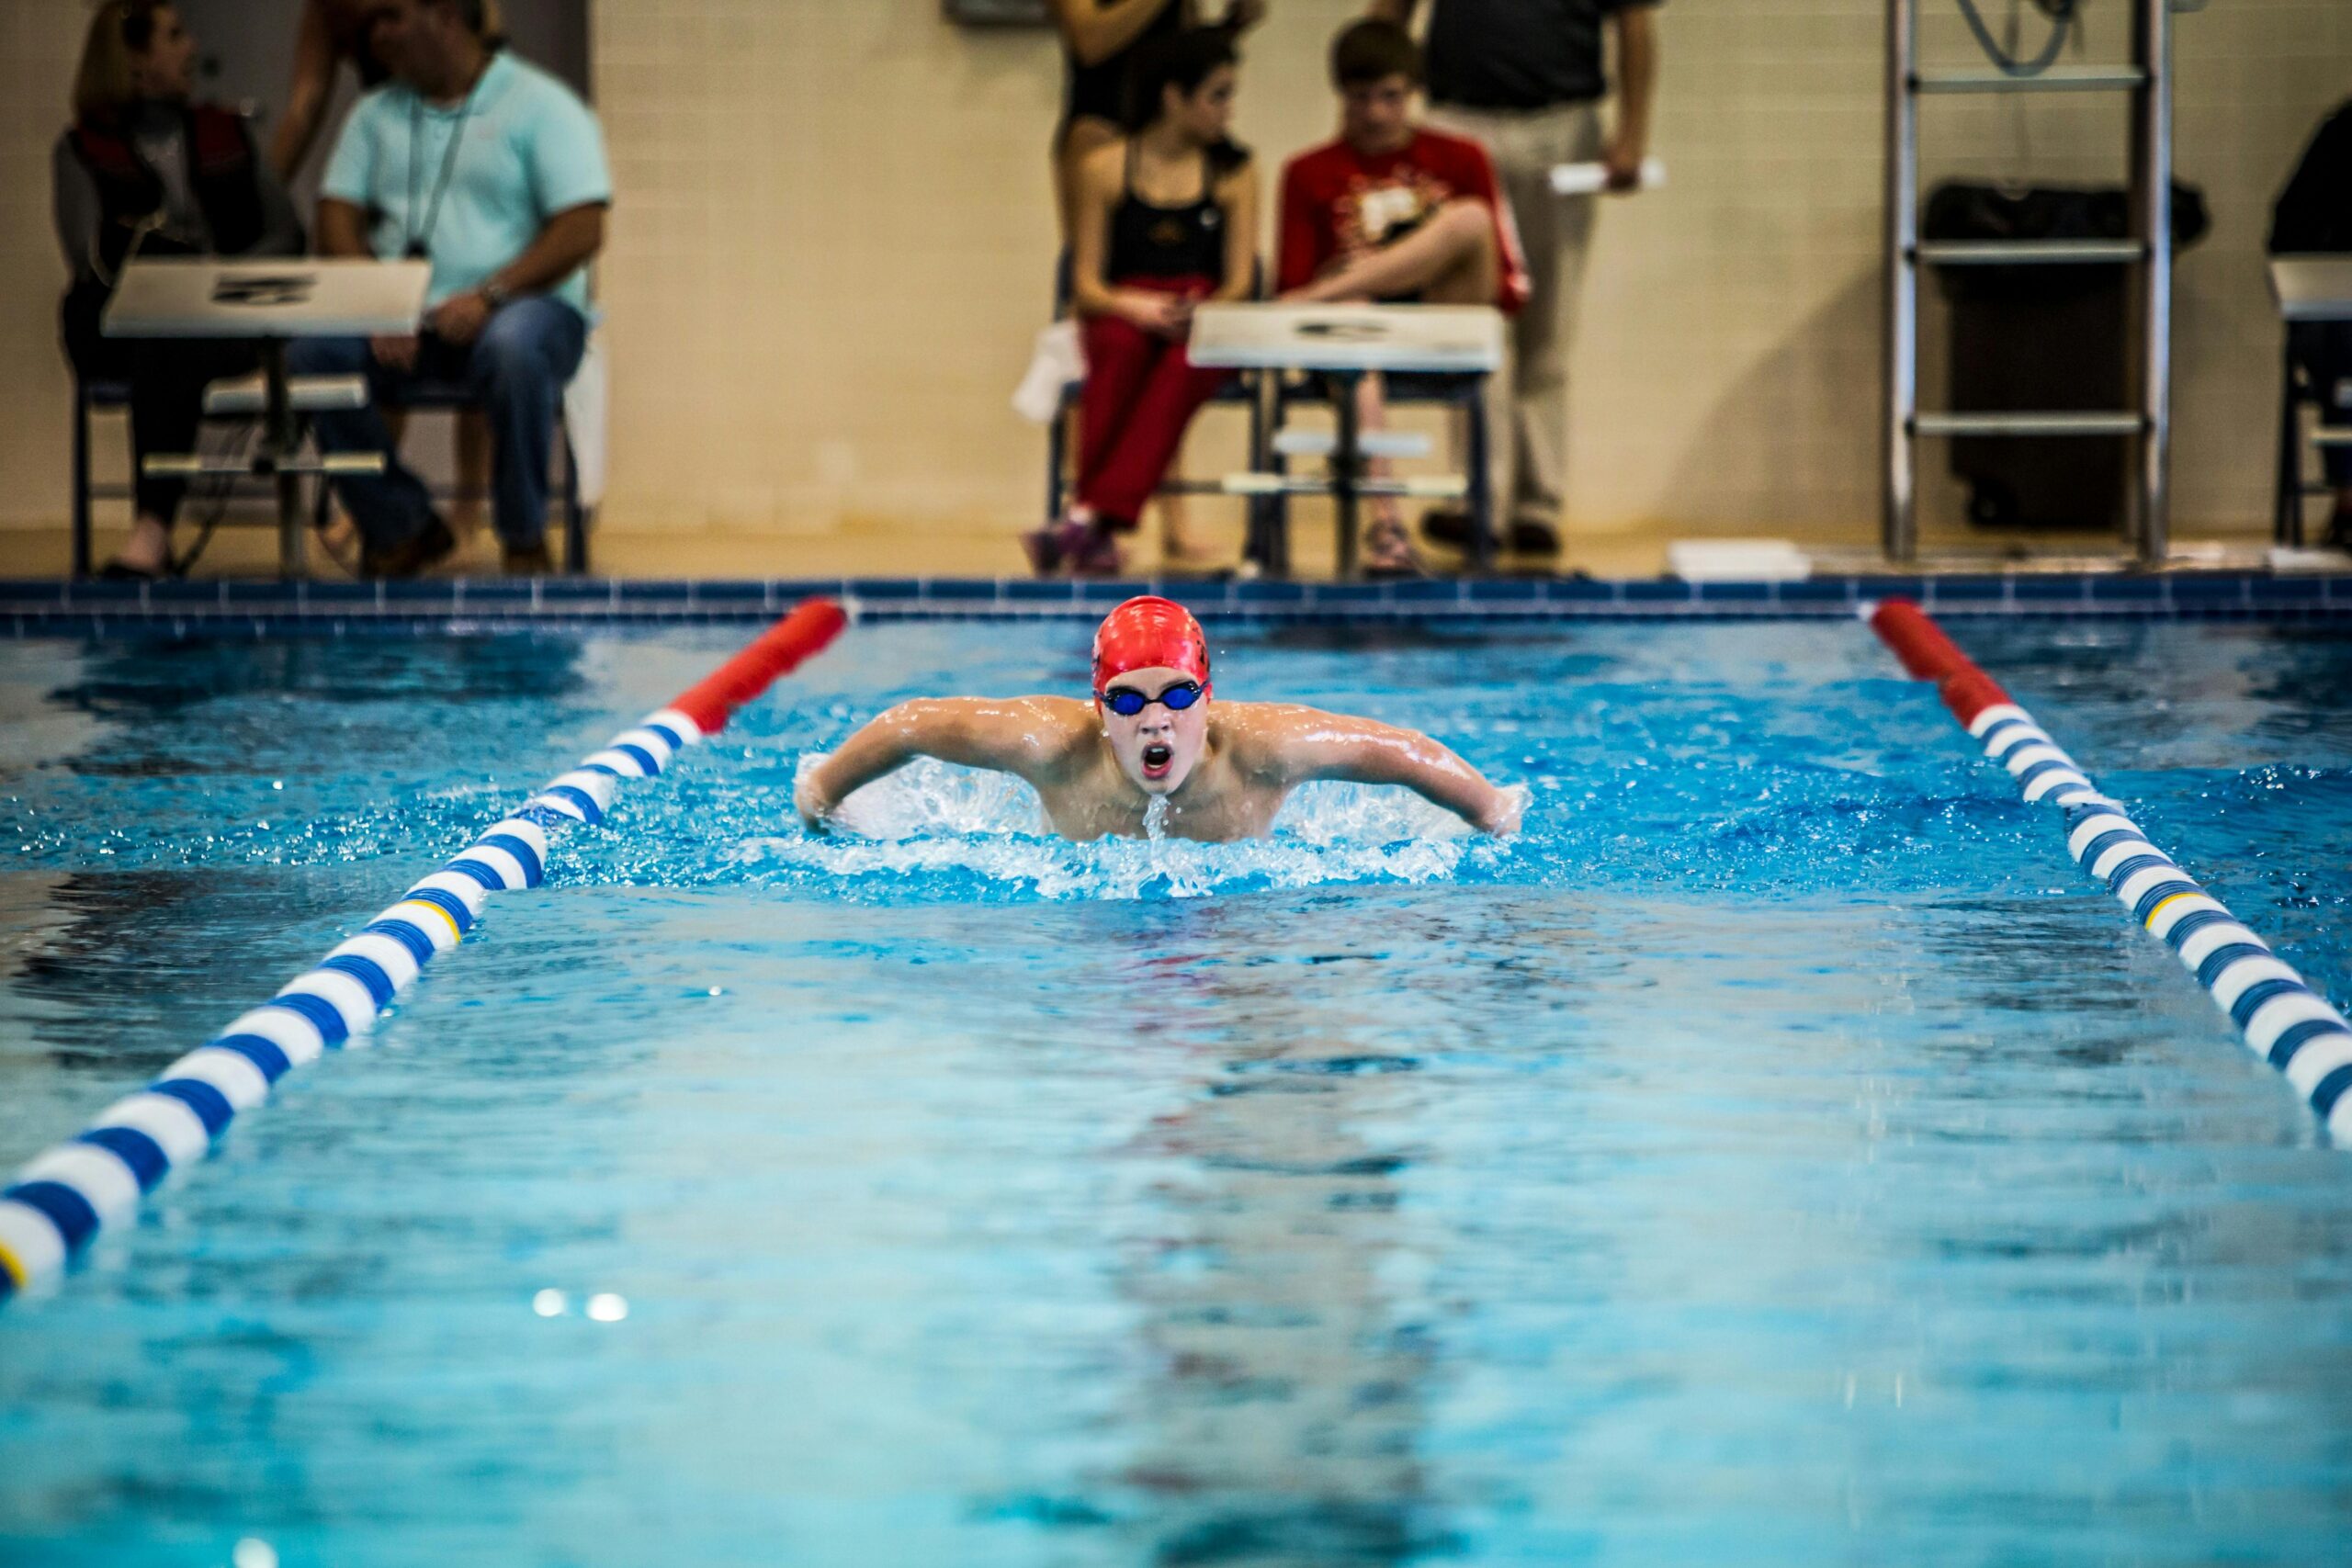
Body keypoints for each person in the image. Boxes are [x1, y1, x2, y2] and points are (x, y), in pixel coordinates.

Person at [288, 0, 609, 579]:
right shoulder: (372, 116)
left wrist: (490, 294)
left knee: (514, 346)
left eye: (392, 17)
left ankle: (523, 537)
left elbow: (583, 226)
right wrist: (380, 300)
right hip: (408, 324)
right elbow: (335, 215)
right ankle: (404, 526)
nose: (377, 36)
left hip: (521, 310)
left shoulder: (541, 105)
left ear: (444, 15)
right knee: (312, 353)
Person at [795, 595, 1521, 842]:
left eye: (1176, 697)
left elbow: (1398, 750)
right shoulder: (1050, 744)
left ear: (1207, 699)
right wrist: (822, 792)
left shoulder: (1266, 750)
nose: (1155, 722)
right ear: (1097, 707)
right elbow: (914, 722)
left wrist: (1491, 810)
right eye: (1128, 701)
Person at [1374, 0, 1659, 562]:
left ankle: (1537, 503)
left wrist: (1632, 131)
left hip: (1561, 123)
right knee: (1473, 324)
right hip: (1458, 116)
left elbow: (1635, 22)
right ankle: (1479, 496)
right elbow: (1385, 16)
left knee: (1547, 324)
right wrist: (1371, 109)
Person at [53, 0, 305, 581]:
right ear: (134, 60)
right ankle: (154, 529)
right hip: (118, 322)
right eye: (174, 35)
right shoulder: (80, 149)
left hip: (214, 317)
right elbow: (87, 260)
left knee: (177, 330)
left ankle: (152, 530)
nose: (191, 47)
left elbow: (285, 232)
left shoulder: (225, 132)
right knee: (158, 328)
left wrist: (221, 275)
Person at [1276, 19, 1529, 574]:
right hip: (1357, 343)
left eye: (1390, 96)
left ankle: (1485, 509)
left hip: (1443, 328)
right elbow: (1289, 289)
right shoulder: (1307, 173)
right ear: (1341, 96)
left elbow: (1502, 280)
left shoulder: (1462, 157)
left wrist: (1377, 267)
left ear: (1413, 93)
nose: (1375, 112)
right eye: (1361, 97)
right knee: (1351, 311)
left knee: (1467, 218)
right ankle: (1387, 528)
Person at [1028, 28, 1261, 578]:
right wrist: (1137, 307)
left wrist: (1194, 311)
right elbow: (1086, 285)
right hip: (1128, 308)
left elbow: (1240, 283)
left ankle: (1088, 517)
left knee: (1187, 361)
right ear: (1173, 97)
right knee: (1115, 344)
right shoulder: (1104, 168)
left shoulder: (1234, 172)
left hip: (1205, 317)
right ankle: (1097, 523)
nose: (1229, 110)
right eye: (1217, 95)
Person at [2272, 96, 2352, 547]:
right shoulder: (2342, 134)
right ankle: (2348, 500)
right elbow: (2288, 230)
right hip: (2334, 316)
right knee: (2343, 338)